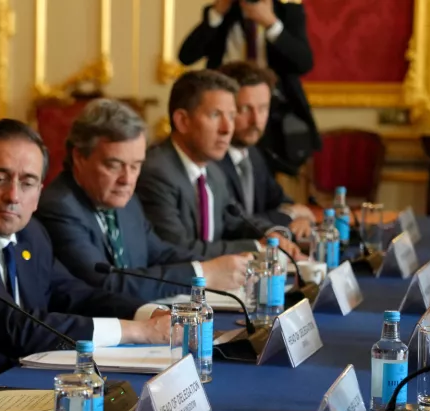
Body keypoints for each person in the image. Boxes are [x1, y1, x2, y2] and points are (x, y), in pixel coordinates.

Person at [0, 119, 171, 409]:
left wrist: (147, 313)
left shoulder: (29, 232)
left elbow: (71, 292)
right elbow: (16, 327)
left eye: (27, 183)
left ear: (38, 193)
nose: (13, 196)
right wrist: (138, 332)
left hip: (11, 390)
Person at [37, 98, 252, 302]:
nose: (127, 179)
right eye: (114, 165)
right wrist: (202, 274)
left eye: (135, 165)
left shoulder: (125, 201)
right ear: (79, 157)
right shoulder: (59, 207)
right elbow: (105, 285)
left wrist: (222, 263)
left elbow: (160, 253)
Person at [135, 69, 304, 260]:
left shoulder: (213, 171)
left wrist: (272, 235)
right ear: (183, 121)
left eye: (231, 116)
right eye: (215, 115)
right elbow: (177, 248)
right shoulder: (157, 173)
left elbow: (236, 221)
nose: (227, 129)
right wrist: (257, 246)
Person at [178, 0, 319, 175]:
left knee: (265, 176)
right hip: (226, 108)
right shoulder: (222, 11)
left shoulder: (287, 11)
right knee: (223, 171)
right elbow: (186, 55)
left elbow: (304, 63)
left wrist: (272, 24)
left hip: (272, 114)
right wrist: (216, 14)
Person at [217, 61, 315, 240]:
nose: (256, 121)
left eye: (263, 109)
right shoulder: (211, 160)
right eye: (245, 109)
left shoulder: (254, 153)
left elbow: (280, 201)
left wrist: (301, 218)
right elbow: (234, 223)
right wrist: (291, 214)